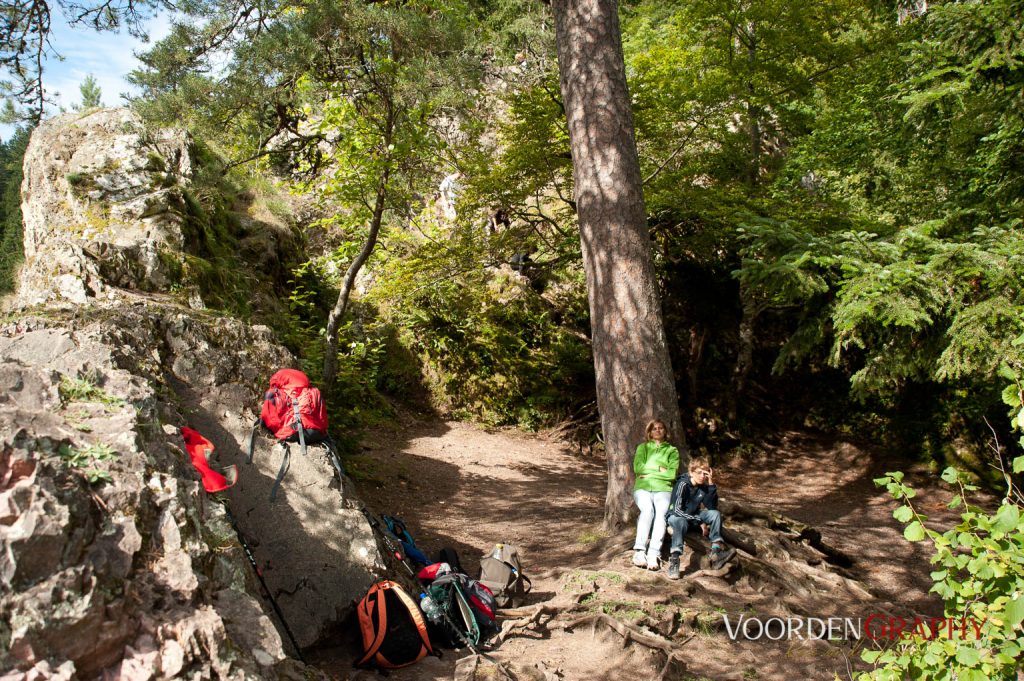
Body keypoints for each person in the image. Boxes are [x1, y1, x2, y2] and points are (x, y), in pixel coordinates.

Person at [664, 457, 736, 579]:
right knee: (680, 521)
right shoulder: (682, 484)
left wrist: (711, 483)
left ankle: (716, 553)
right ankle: (674, 561)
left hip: (693, 516)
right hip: (676, 517)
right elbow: (676, 510)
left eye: (705, 473)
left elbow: (712, 506)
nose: (702, 476)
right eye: (699, 473)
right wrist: (699, 521)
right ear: (691, 472)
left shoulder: (703, 486)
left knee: (715, 514)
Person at [631, 420, 679, 570]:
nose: (657, 431)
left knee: (661, 516)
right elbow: (638, 468)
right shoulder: (643, 448)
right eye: (654, 429)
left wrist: (649, 470)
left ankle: (654, 554)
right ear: (649, 432)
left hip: (664, 489)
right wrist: (660, 469)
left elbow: (672, 474)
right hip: (643, 488)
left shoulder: (672, 450)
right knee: (647, 511)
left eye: (660, 428)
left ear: (665, 431)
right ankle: (639, 551)